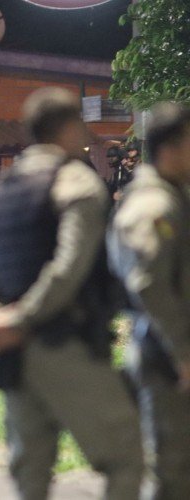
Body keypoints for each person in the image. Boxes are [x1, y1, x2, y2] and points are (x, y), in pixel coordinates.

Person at [0, 87, 143, 500]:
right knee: (126, 457)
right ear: (71, 127)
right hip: (64, 343)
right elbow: (68, 268)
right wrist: (22, 318)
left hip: (11, 354)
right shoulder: (78, 185)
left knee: (31, 475)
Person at [108, 103, 190, 499]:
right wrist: (183, 353)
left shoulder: (172, 196)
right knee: (173, 474)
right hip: (166, 359)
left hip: (171, 355)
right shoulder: (154, 206)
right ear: (170, 148)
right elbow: (149, 284)